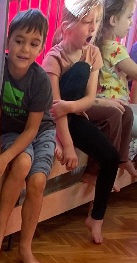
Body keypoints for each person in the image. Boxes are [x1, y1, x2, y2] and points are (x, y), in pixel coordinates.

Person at [0, 10, 56, 263]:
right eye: (19, 41)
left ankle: (25, 246)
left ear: (41, 47)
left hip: (40, 131)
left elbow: (33, 129)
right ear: (8, 41)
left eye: (33, 44)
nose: (25, 49)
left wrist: (5, 157)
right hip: (11, 131)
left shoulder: (40, 81)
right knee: (23, 163)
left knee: (37, 182)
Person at [43, 0, 120, 243]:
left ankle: (96, 218)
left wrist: (70, 107)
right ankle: (55, 138)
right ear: (67, 26)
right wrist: (67, 145)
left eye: (96, 22)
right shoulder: (53, 58)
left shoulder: (92, 53)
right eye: (87, 22)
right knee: (78, 70)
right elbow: (54, 109)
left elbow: (88, 99)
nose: (93, 28)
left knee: (111, 157)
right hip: (54, 119)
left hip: (74, 114)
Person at [96, 0, 137, 168]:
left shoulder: (101, 45)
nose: (131, 23)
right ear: (113, 20)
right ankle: (125, 157)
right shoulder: (115, 48)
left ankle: (125, 158)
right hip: (113, 103)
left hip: (106, 100)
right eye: (128, 17)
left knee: (129, 113)